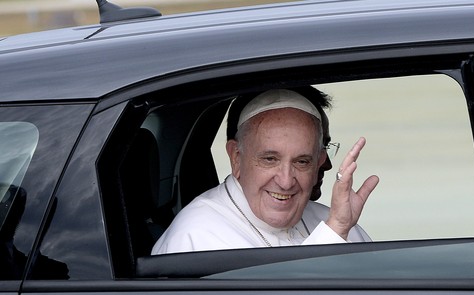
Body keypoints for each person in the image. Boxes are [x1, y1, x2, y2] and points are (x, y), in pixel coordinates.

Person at [151, 88, 379, 254]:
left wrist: (338, 226)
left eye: (302, 162)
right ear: (236, 158)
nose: (286, 181)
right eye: (270, 159)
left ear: (320, 161)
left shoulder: (332, 220)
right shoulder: (195, 237)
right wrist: (333, 233)